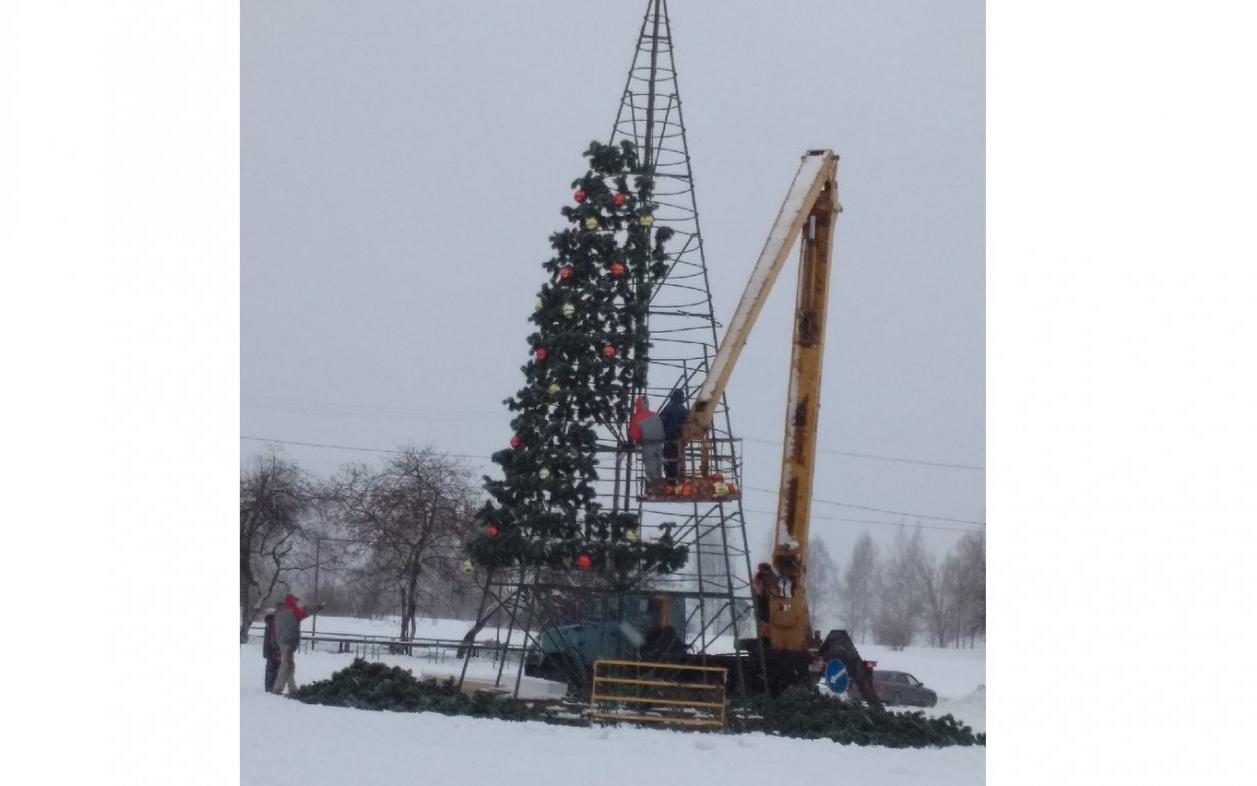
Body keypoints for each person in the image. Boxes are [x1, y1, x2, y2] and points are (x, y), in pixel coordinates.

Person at [270, 593, 326, 695]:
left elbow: (274, 630)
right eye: (296, 602)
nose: (298, 604)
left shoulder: (278, 615)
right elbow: (307, 611)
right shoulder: (293, 611)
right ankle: (280, 689)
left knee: (288, 664)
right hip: (290, 641)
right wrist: (319, 606)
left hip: (282, 642)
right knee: (287, 665)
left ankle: (290, 688)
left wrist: (275, 641)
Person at [627, 396, 665, 480]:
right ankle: (658, 481)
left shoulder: (637, 418)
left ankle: (653, 483)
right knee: (658, 465)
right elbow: (661, 429)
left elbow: (634, 434)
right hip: (658, 444)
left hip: (647, 444)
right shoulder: (654, 415)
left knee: (651, 467)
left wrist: (637, 440)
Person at [658, 389, 689, 481]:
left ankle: (670, 481)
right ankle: (679, 481)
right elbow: (689, 425)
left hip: (668, 439)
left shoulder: (667, 410)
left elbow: (660, 422)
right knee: (680, 461)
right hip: (680, 440)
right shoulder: (685, 411)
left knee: (669, 462)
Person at [751, 562, 779, 638]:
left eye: (760, 568)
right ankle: (764, 629)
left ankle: (765, 629)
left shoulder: (765, 576)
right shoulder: (771, 576)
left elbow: (756, 585)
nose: (759, 570)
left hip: (765, 597)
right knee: (763, 615)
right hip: (764, 597)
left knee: (764, 615)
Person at [262, 605, 281, 692]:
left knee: (276, 668)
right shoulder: (273, 621)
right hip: (272, 648)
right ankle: (270, 687)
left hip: (277, 648)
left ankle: (273, 687)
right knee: (272, 668)